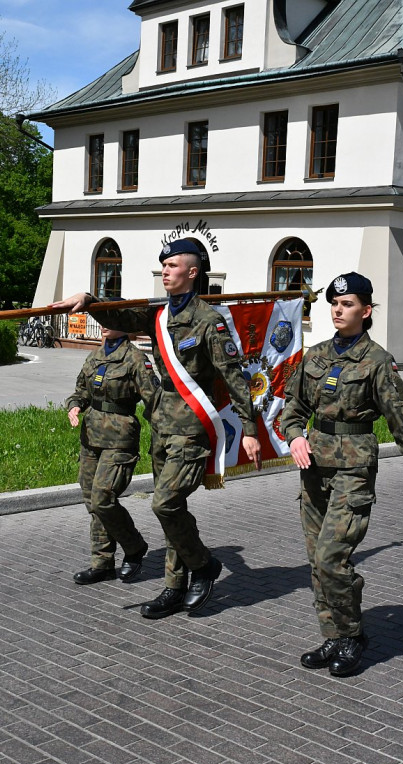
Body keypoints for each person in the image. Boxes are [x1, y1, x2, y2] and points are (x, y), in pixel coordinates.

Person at [53, 239, 262, 619]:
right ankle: (173, 586)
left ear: (193, 272)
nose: (165, 270)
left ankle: (202, 565)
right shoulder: (158, 315)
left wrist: (249, 427)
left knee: (164, 503)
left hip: (193, 428)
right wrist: (88, 298)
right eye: (163, 265)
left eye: (172, 265)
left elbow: (234, 377)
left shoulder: (208, 321)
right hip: (163, 427)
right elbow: (118, 318)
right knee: (173, 509)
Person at [281, 272, 403, 677]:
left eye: (347, 304)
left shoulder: (378, 362)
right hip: (313, 468)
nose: (338, 309)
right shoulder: (314, 356)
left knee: (333, 558)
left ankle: (352, 635)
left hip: (353, 467)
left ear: (366, 311)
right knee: (316, 561)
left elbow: (402, 423)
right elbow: (291, 410)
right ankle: (332, 634)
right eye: (334, 303)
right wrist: (296, 436)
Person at [65, 325, 160, 586]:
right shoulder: (93, 357)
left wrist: (161, 436)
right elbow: (81, 391)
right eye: (102, 320)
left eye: (110, 320)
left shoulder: (135, 359)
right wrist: (74, 406)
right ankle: (102, 563)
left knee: (103, 498)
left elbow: (154, 400)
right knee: (92, 501)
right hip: (91, 436)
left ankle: (134, 546)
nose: (104, 325)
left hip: (119, 437)